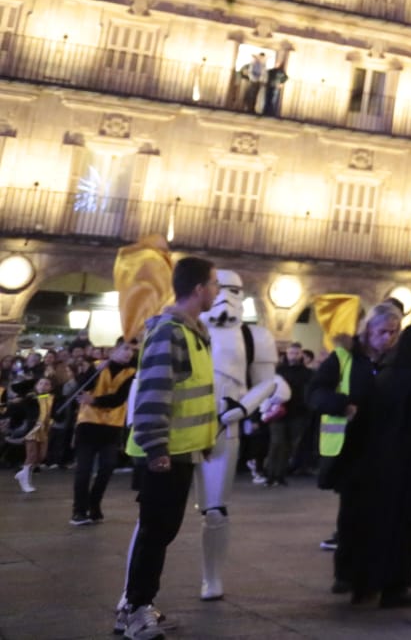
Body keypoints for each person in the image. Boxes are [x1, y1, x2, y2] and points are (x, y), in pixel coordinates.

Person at [113, 255, 220, 640]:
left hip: (180, 450)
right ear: (199, 289)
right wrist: (157, 446)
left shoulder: (193, 332)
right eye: (215, 284)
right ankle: (136, 610)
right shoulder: (172, 332)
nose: (218, 291)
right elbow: (154, 393)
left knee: (159, 531)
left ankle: (135, 606)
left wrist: (201, 442)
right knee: (155, 532)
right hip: (165, 453)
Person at [195, 269, 290, 601]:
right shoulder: (188, 328)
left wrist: (244, 407)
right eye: (219, 288)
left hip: (227, 425)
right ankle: (137, 589)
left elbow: (268, 381)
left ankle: (212, 578)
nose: (225, 296)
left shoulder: (256, 337)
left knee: (216, 511)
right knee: (157, 512)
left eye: (234, 290)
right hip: (184, 426)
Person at [334, 310, 411, 607]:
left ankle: (364, 583)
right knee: (400, 525)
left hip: (374, 461)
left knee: (373, 524)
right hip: (404, 463)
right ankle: (394, 585)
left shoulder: (389, 372)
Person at [70, 337, 136, 525]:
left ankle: (94, 503)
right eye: (124, 349)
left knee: (107, 467)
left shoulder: (132, 372)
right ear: (114, 349)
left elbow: (119, 398)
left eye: (132, 350)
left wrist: (95, 401)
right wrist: (93, 372)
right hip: (88, 423)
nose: (128, 353)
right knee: (83, 470)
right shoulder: (97, 366)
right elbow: (82, 389)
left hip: (112, 426)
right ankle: (79, 510)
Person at [266, 341, 311, 485]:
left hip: (298, 413)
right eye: (291, 353)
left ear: (301, 354)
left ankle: (280, 474)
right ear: (287, 354)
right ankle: (270, 473)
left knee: (289, 445)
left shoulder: (307, 373)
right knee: (276, 442)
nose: (293, 356)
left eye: (296, 353)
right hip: (278, 412)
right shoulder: (279, 371)